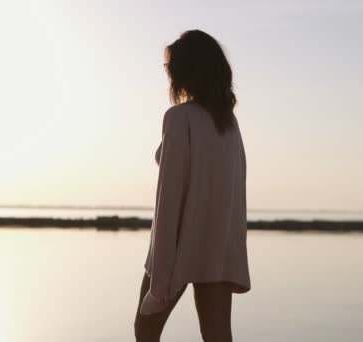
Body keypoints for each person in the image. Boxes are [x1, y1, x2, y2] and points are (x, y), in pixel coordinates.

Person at [134, 29, 251, 342]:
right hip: (218, 250)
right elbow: (233, 196)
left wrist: (159, 282)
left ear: (185, 71)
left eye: (170, 67)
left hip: (177, 250)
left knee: (145, 332)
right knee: (217, 336)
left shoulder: (178, 118)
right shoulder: (228, 124)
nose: (168, 73)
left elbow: (168, 202)